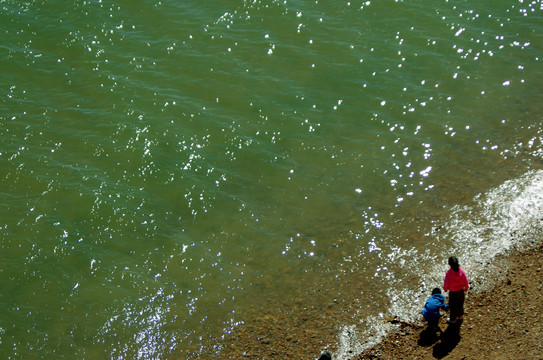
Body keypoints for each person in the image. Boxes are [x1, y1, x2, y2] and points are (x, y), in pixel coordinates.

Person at [443, 256, 469, 324]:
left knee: (453, 306)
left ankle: (453, 319)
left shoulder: (449, 273)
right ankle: (460, 316)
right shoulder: (461, 271)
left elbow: (446, 283)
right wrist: (466, 287)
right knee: (460, 304)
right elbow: (466, 280)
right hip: (461, 291)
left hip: (453, 292)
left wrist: (445, 289)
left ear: (449, 264)